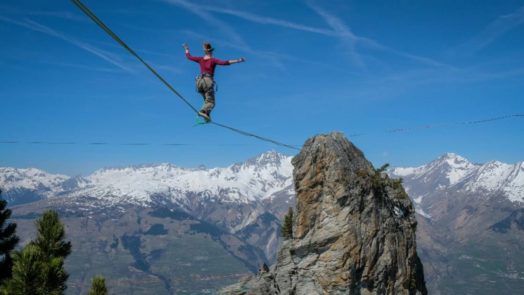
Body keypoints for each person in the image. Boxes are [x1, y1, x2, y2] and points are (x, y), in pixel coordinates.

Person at [183, 42, 245, 122]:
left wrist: (186, 49)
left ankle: (207, 115)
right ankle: (203, 112)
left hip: (199, 82)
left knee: (207, 100)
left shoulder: (200, 59)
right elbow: (225, 63)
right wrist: (238, 60)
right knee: (211, 102)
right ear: (210, 52)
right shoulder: (213, 60)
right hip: (207, 81)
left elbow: (189, 57)